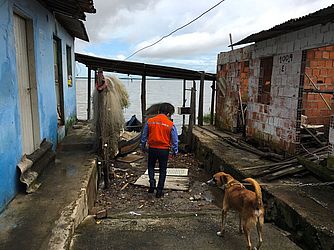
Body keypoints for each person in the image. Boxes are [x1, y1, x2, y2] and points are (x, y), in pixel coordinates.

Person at [140, 103, 178, 198]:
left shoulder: (150, 121)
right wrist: (175, 151)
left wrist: (143, 146)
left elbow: (144, 136)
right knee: (162, 170)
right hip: (164, 150)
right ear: (168, 114)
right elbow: (175, 140)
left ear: (158, 111)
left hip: (152, 148)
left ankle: (152, 182)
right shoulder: (170, 124)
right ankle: (159, 190)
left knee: (151, 166)